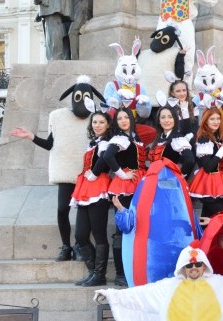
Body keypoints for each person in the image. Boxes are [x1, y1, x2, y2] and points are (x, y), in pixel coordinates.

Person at [9, 75, 103, 261]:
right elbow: (51, 144)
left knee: (85, 212)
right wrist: (31, 137)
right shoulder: (58, 118)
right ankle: (66, 246)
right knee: (62, 209)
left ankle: (80, 246)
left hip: (89, 174)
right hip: (67, 172)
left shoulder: (97, 118)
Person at [94, 240, 223, 321]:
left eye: (198, 265)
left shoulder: (219, 284)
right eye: (190, 266)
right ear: (183, 267)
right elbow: (141, 295)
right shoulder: (169, 287)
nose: (194, 269)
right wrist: (111, 294)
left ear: (204, 265)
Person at [99, 107, 144, 287]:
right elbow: (108, 156)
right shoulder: (120, 139)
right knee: (122, 229)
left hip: (138, 183)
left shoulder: (134, 138)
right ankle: (120, 273)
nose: (124, 121)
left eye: (126, 117)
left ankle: (132, 269)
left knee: (136, 227)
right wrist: (122, 174)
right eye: (120, 119)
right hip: (125, 185)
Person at [70, 111, 113, 287]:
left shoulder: (107, 143)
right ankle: (93, 271)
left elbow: (104, 159)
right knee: (80, 235)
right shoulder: (93, 142)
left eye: (101, 122)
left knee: (99, 233)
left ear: (108, 125)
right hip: (85, 187)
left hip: (99, 185)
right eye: (94, 122)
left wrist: (94, 173)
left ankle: (98, 274)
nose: (97, 125)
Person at [190, 108, 223, 217]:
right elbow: (208, 167)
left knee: (207, 219)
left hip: (219, 182)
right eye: (212, 119)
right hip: (208, 183)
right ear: (205, 121)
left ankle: (203, 234)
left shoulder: (217, 137)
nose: (216, 122)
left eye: (218, 118)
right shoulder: (204, 138)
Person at [147, 106, 195, 177]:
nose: (166, 120)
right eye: (163, 117)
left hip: (168, 181)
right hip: (153, 179)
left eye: (170, 117)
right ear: (159, 121)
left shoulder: (177, 138)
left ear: (175, 119)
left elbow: (190, 160)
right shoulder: (159, 137)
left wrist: (179, 176)